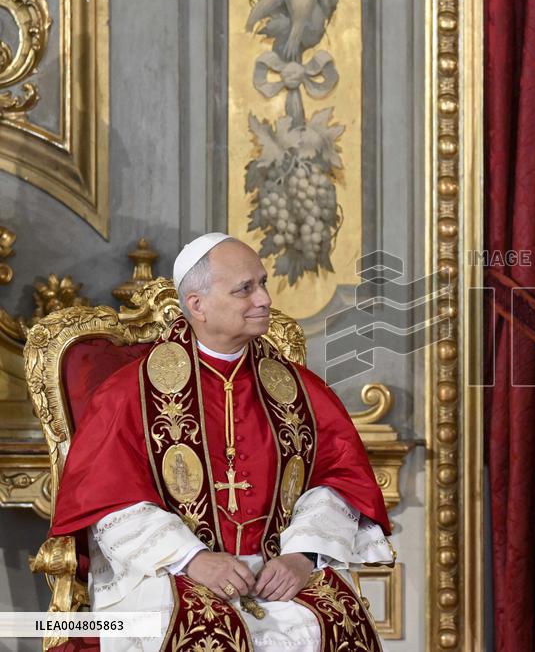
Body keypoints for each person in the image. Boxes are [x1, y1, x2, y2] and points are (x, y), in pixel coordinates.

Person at [50, 234, 393, 651]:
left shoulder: (302, 391)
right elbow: (108, 499)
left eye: (263, 283)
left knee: (332, 623)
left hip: (277, 572)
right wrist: (191, 558)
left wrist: (303, 556)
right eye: (245, 289)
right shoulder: (129, 394)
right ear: (197, 305)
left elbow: (339, 480)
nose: (265, 298)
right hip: (169, 575)